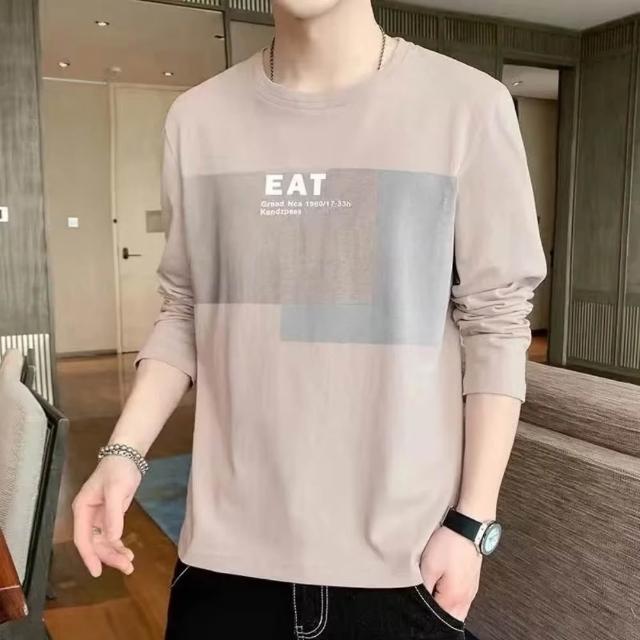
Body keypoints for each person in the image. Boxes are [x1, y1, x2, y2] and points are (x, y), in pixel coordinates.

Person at [72, 0, 548, 638]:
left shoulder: (467, 106)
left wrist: (471, 523)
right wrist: (123, 454)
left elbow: (498, 320)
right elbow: (185, 307)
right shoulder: (198, 118)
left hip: (404, 564)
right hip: (224, 557)